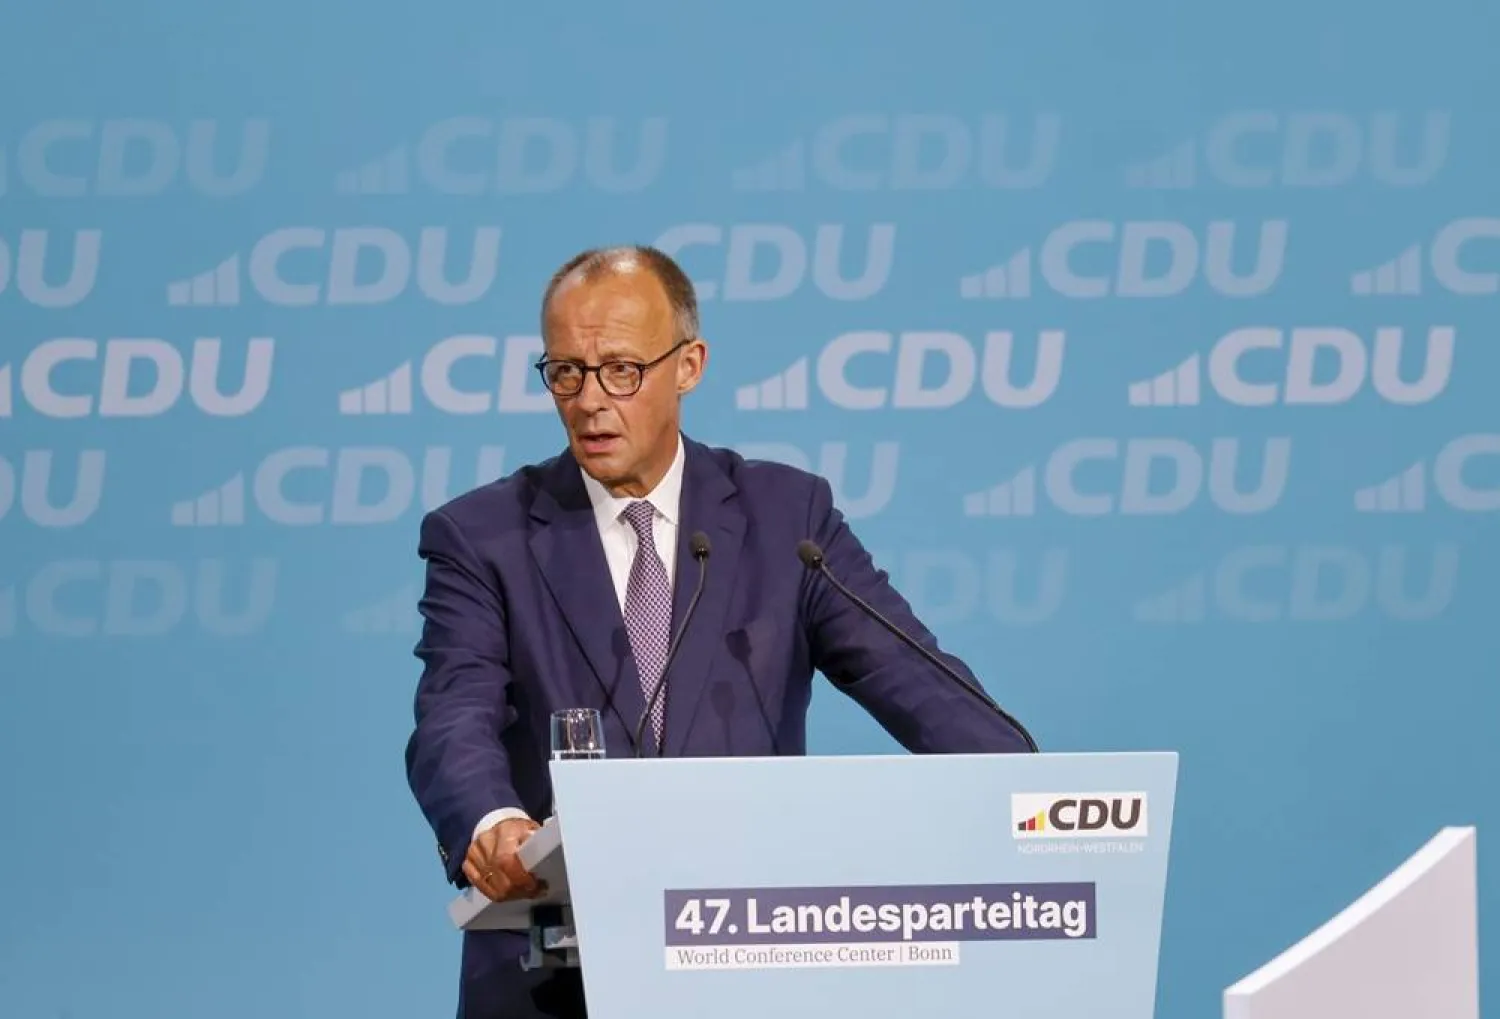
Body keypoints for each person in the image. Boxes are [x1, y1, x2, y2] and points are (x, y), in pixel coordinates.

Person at [404, 245, 1036, 1019]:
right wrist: (493, 820)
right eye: (566, 372)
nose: (590, 400)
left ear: (689, 365)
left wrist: (1034, 803)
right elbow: (452, 714)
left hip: (746, 969)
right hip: (554, 979)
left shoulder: (787, 519)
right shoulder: (482, 536)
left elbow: (920, 686)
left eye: (620, 369)